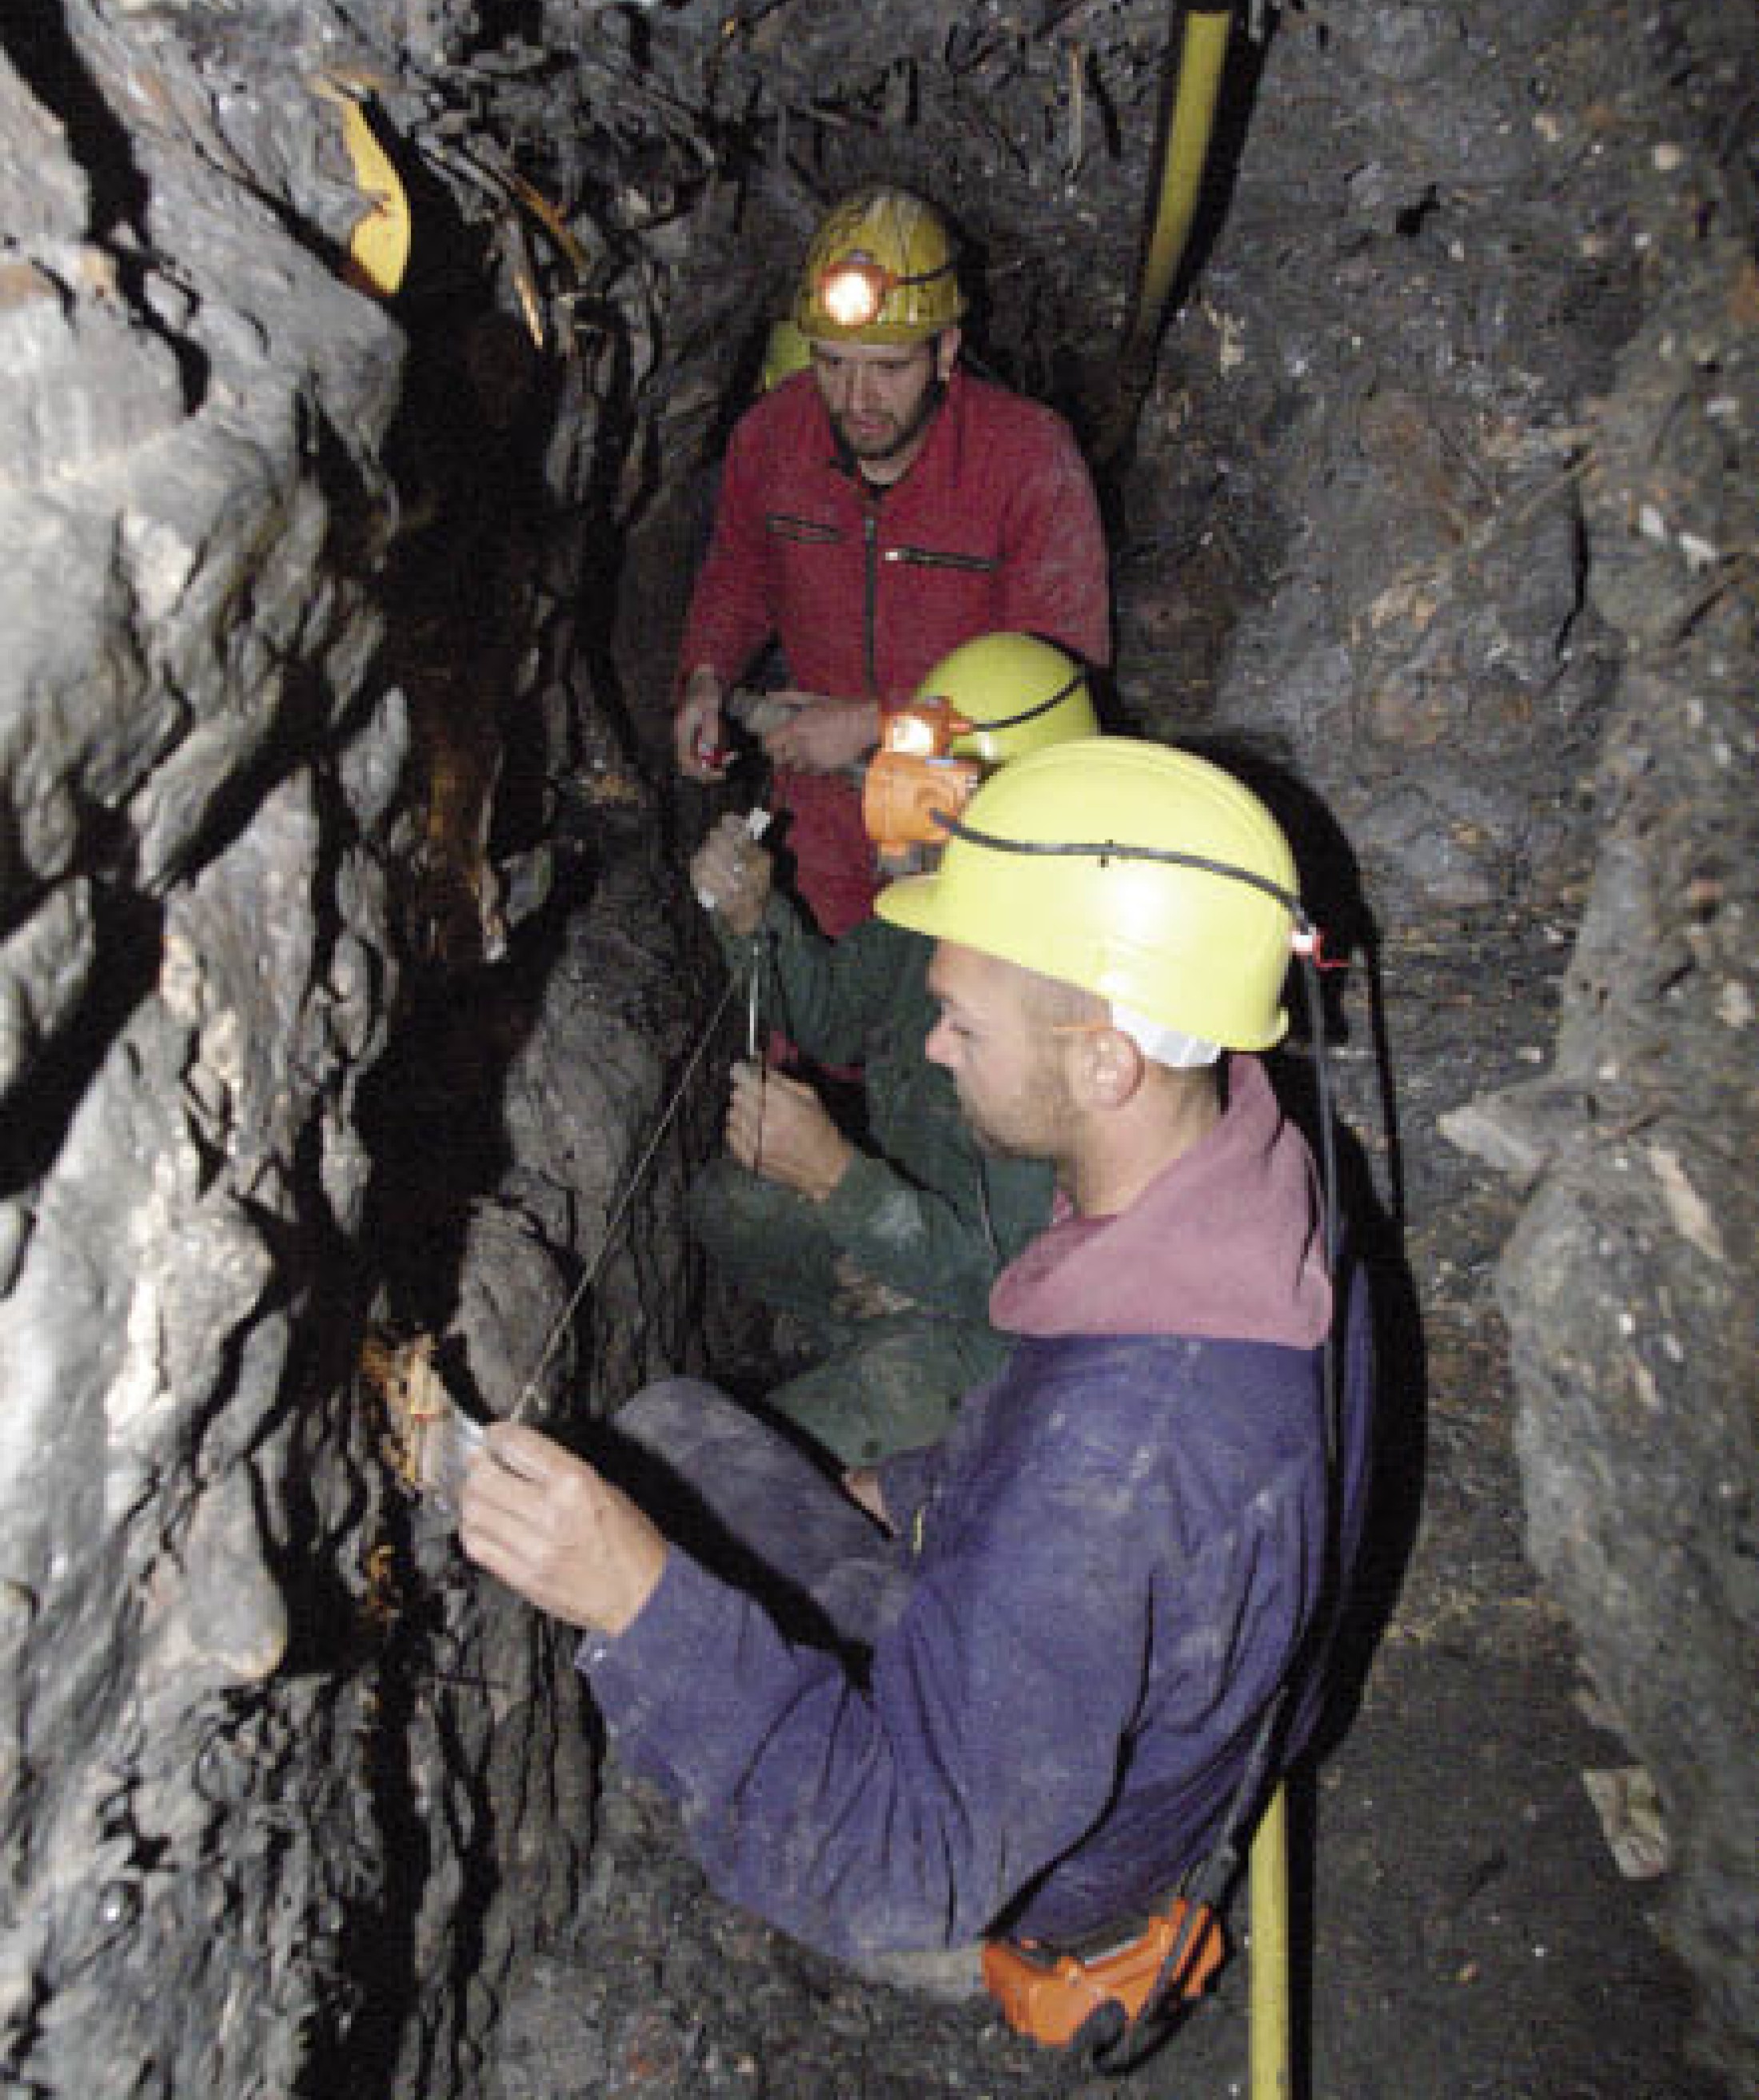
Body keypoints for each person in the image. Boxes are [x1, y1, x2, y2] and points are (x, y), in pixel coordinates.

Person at [459, 737, 1373, 2038]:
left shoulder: (1110, 1462)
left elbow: (910, 1854)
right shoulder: (1245, 1165)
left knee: (659, 1554)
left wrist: (637, 1602)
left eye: (967, 1024)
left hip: (1027, 1868)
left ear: (1107, 1060)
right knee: (672, 1438)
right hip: (1127, 1676)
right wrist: (902, 1488)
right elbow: (1072, 1473)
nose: (935, 1046)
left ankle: (981, 1957)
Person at [687, 632, 1100, 1465]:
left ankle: (912, 1412)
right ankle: (859, 1334)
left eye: (943, 792)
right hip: (919, 1233)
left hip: (1004, 1334)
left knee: (749, 1465)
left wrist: (846, 1188)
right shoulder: (943, 904)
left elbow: (1024, 1281)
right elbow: (835, 1018)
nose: (910, 828)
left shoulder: (1069, 1001)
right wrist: (754, 918)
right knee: (729, 1203)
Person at [672, 184, 1111, 936]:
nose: (857, 397)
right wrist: (707, 676)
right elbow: (739, 577)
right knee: (805, 995)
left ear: (946, 351)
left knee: (945, 1008)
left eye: (888, 368)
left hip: (967, 826)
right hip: (816, 818)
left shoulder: (1028, 461)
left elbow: (1056, 686)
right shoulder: (773, 440)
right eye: (833, 363)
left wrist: (881, 724)